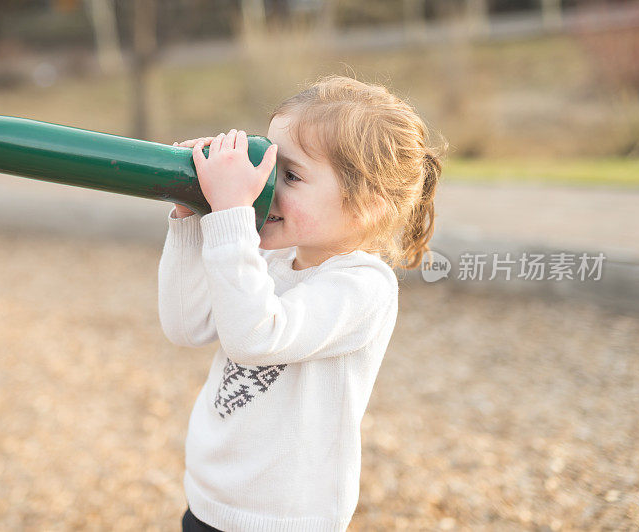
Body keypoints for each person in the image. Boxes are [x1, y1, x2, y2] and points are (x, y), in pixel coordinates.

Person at [159, 74, 445, 532]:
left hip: (283, 519)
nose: (266, 186)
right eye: (269, 166)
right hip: (209, 500)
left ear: (366, 206)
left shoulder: (363, 287)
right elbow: (185, 325)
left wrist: (232, 217)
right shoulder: (269, 257)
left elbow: (256, 337)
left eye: (289, 176)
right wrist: (192, 216)